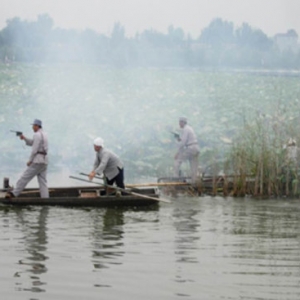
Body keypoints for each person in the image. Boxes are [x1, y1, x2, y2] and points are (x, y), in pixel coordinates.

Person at [5, 119, 49, 198]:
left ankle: (13, 193)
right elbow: (33, 143)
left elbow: (34, 149)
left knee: (25, 177)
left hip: (37, 161)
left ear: (37, 126)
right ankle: (45, 198)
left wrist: (30, 160)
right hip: (44, 161)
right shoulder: (44, 134)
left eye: (33, 126)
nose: (32, 127)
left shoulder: (37, 135)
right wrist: (24, 138)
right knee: (43, 182)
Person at [174, 117, 200, 184]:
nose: (179, 124)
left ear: (183, 122)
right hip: (196, 148)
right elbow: (185, 140)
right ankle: (194, 183)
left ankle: (176, 178)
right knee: (194, 167)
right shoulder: (189, 128)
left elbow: (183, 143)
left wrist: (177, 153)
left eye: (180, 122)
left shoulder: (185, 129)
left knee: (178, 160)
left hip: (191, 148)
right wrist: (179, 139)